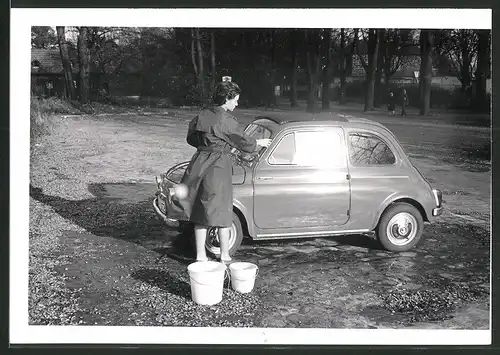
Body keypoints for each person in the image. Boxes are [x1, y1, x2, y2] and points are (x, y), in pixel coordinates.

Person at [177, 81, 272, 264]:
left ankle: (200, 256)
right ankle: (225, 255)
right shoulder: (226, 120)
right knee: (222, 209)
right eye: (235, 100)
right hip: (218, 165)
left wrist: (206, 146)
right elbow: (241, 140)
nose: (236, 104)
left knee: (200, 210)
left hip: (199, 162)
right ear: (227, 99)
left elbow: (191, 137)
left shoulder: (203, 114)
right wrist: (258, 143)